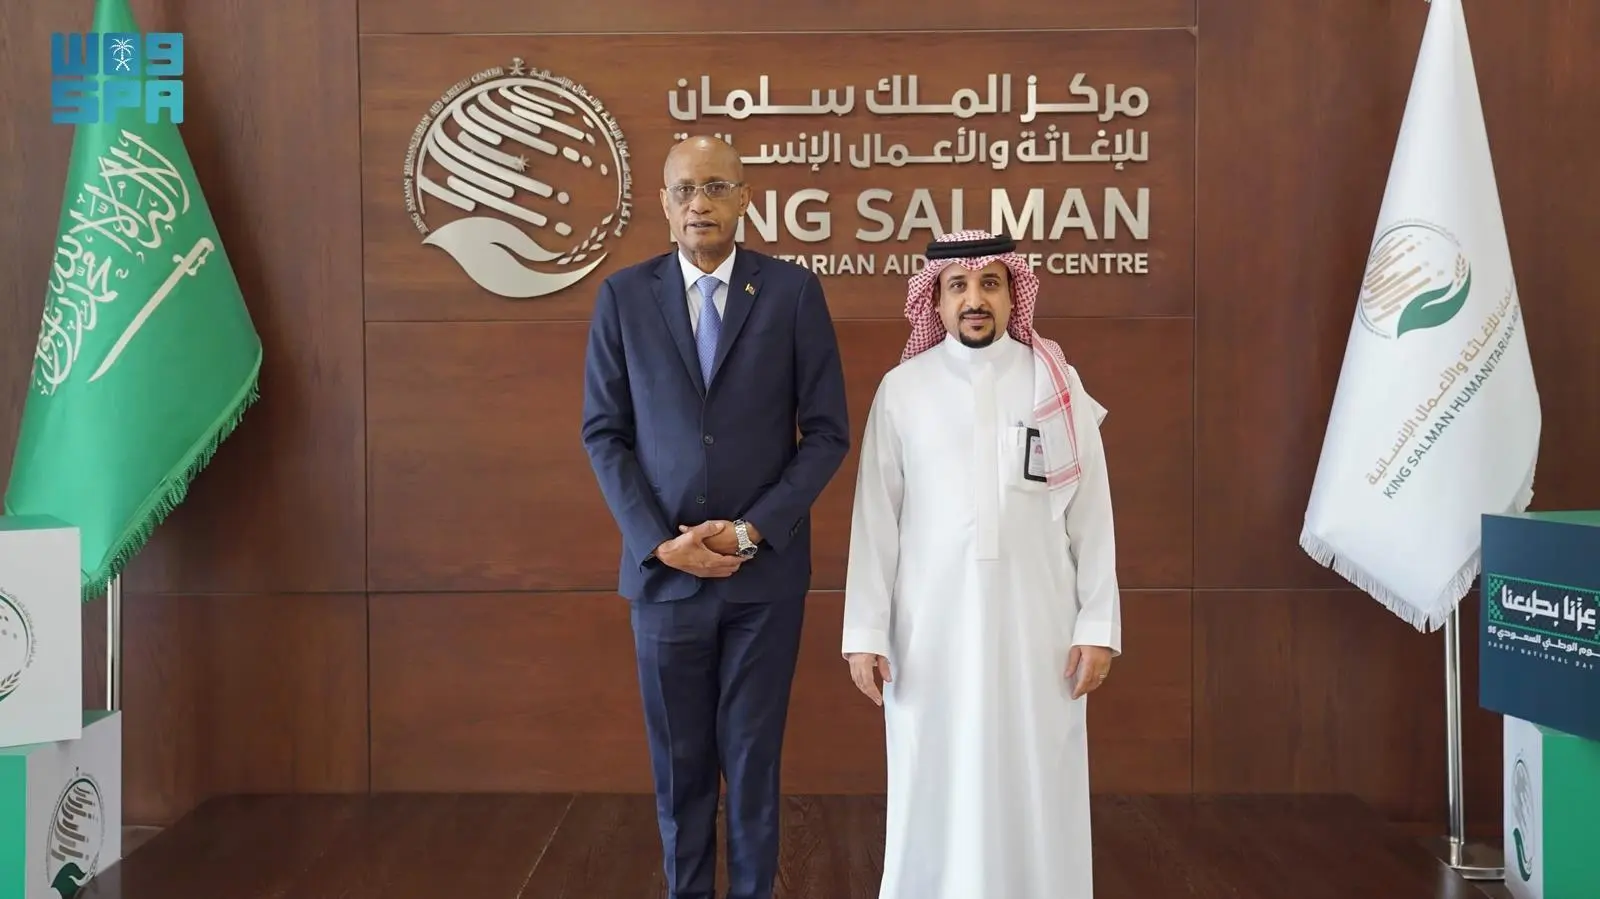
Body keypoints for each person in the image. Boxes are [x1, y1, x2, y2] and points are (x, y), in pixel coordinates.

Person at [580, 135, 851, 899]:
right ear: (663, 205)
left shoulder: (793, 292)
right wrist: (659, 542)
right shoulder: (623, 297)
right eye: (685, 190)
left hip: (763, 580)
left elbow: (827, 433)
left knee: (754, 765)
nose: (699, 203)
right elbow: (604, 433)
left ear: (744, 198)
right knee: (681, 770)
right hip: (664, 580)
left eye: (716, 187)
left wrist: (750, 529)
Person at [841, 229, 1122, 899]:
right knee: (933, 776)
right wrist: (866, 633)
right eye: (959, 287)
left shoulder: (1055, 382)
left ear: (1012, 295)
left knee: (1038, 777)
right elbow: (876, 518)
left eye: (990, 284)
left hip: (1040, 629)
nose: (975, 299)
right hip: (929, 632)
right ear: (935, 302)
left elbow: (1092, 514)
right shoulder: (902, 389)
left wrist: (1097, 625)